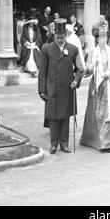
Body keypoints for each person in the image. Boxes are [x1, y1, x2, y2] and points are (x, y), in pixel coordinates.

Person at [38, 18, 84, 154]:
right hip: (51, 88)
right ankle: (53, 144)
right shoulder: (46, 49)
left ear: (66, 36)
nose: (60, 40)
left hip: (67, 88)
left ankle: (64, 144)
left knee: (65, 117)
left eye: (62, 37)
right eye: (57, 37)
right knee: (52, 117)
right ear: (54, 36)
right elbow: (42, 71)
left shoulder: (73, 49)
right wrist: (42, 90)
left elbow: (80, 69)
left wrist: (76, 80)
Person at [80, 19, 110, 152]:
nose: (103, 40)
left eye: (105, 37)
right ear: (96, 39)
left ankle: (109, 142)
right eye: (100, 37)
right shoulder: (92, 52)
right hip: (97, 86)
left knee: (109, 114)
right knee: (98, 114)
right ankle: (97, 140)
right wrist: (88, 69)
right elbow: (88, 70)